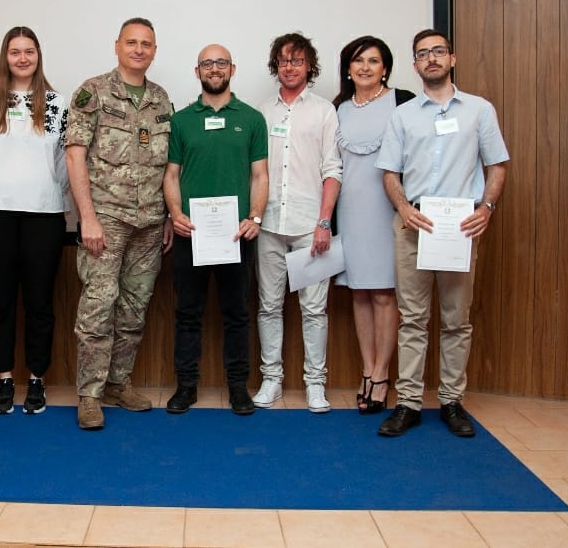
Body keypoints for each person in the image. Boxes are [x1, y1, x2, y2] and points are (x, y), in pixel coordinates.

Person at [375, 29, 509, 438]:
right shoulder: (402, 115)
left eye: (438, 52)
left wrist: (486, 208)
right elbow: (390, 173)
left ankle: (452, 402)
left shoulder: (479, 110)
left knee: (456, 320)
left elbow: (497, 165)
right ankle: (410, 403)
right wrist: (401, 207)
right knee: (412, 319)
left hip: (458, 227)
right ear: (415, 65)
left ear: (452, 58)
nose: (430, 59)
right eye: (422, 54)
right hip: (413, 225)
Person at [66, 17, 174, 430]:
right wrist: (87, 218)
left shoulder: (162, 101)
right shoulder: (92, 92)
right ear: (117, 46)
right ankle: (89, 394)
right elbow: (75, 155)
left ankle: (118, 383)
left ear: (154, 51)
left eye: (146, 44)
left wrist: (166, 215)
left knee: (134, 309)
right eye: (132, 42)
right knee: (98, 307)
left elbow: (168, 166)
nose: (139, 49)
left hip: (149, 223)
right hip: (105, 220)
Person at [0, 26, 69, 415]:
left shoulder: (57, 104)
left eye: (29, 51)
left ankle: (37, 380)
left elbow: (62, 163)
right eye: (15, 52)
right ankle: (5, 379)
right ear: (5, 57)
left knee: (40, 303)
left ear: (39, 55)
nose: (22, 58)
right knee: (0, 302)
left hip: (43, 215)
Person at [163, 45, 268, 416]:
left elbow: (260, 174)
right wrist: (175, 213)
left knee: (237, 313)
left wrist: (254, 217)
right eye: (207, 63)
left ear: (232, 69)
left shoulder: (252, 119)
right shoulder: (181, 120)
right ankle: (186, 387)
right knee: (187, 313)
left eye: (221, 62)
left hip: (237, 235)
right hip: (190, 234)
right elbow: (171, 174)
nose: (214, 69)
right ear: (197, 71)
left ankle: (238, 388)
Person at [253, 32, 343, 413]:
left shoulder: (324, 111)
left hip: (311, 227)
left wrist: (325, 221)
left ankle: (315, 383)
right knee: (269, 307)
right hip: (269, 225)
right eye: (284, 60)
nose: (290, 66)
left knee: (314, 309)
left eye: (298, 60)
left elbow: (332, 169)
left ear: (310, 66)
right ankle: (271, 379)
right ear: (276, 66)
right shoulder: (262, 113)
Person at [331, 36, 415, 414]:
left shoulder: (404, 102)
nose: (365, 67)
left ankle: (382, 375)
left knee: (385, 294)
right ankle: (367, 368)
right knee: (359, 293)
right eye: (358, 60)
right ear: (347, 68)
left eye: (374, 61)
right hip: (349, 211)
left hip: (388, 212)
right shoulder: (338, 108)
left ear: (386, 68)